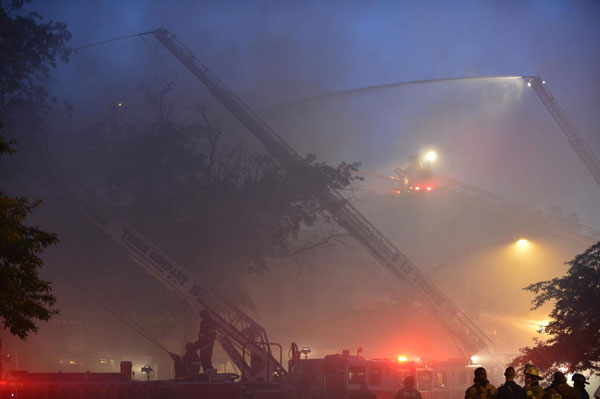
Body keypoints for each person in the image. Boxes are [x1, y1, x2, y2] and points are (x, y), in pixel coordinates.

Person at [196, 309, 217, 373]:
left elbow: (210, 336)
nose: (201, 318)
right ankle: (208, 373)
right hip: (204, 344)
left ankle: (210, 374)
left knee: (205, 360)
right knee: (205, 360)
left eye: (202, 316)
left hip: (206, 345)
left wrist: (203, 338)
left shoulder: (208, 323)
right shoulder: (206, 323)